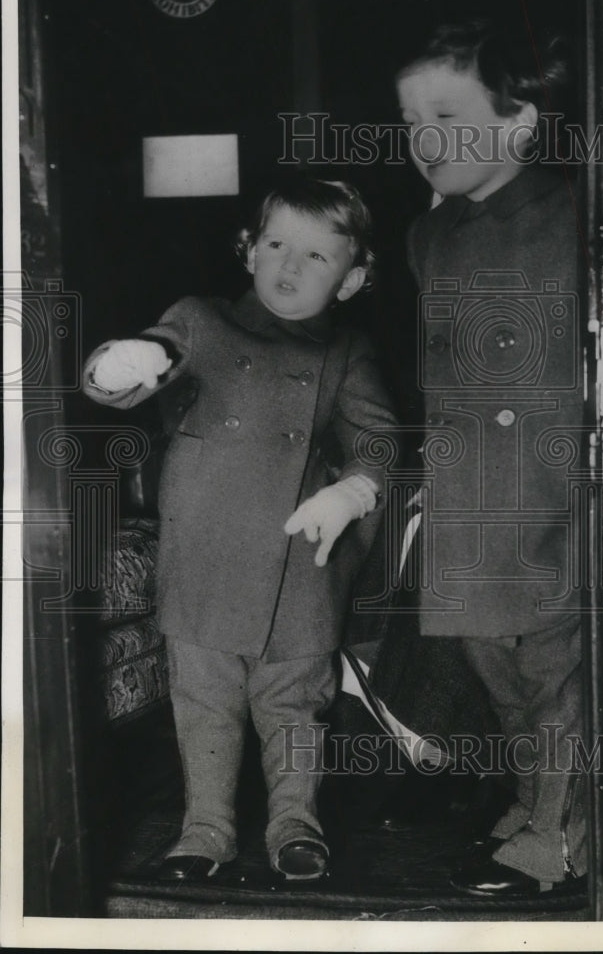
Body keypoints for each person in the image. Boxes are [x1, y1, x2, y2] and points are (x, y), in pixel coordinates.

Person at [83, 179, 396, 883]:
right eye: (278, 244)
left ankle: (295, 825)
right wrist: (122, 364)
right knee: (204, 704)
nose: (290, 266)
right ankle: (206, 830)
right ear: (249, 250)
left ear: (352, 281)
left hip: (299, 557)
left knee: (295, 703)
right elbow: (138, 368)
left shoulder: (346, 351)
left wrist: (352, 490)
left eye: (317, 257)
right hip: (203, 553)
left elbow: (378, 442)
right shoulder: (202, 320)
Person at [370, 19, 588, 897]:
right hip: (471, 488)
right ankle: (540, 799)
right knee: (492, 665)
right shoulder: (427, 240)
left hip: (553, 484)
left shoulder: (577, 209)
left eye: (447, 116)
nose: (425, 140)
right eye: (411, 120)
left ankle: (563, 832)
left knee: (554, 672)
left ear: (520, 123)